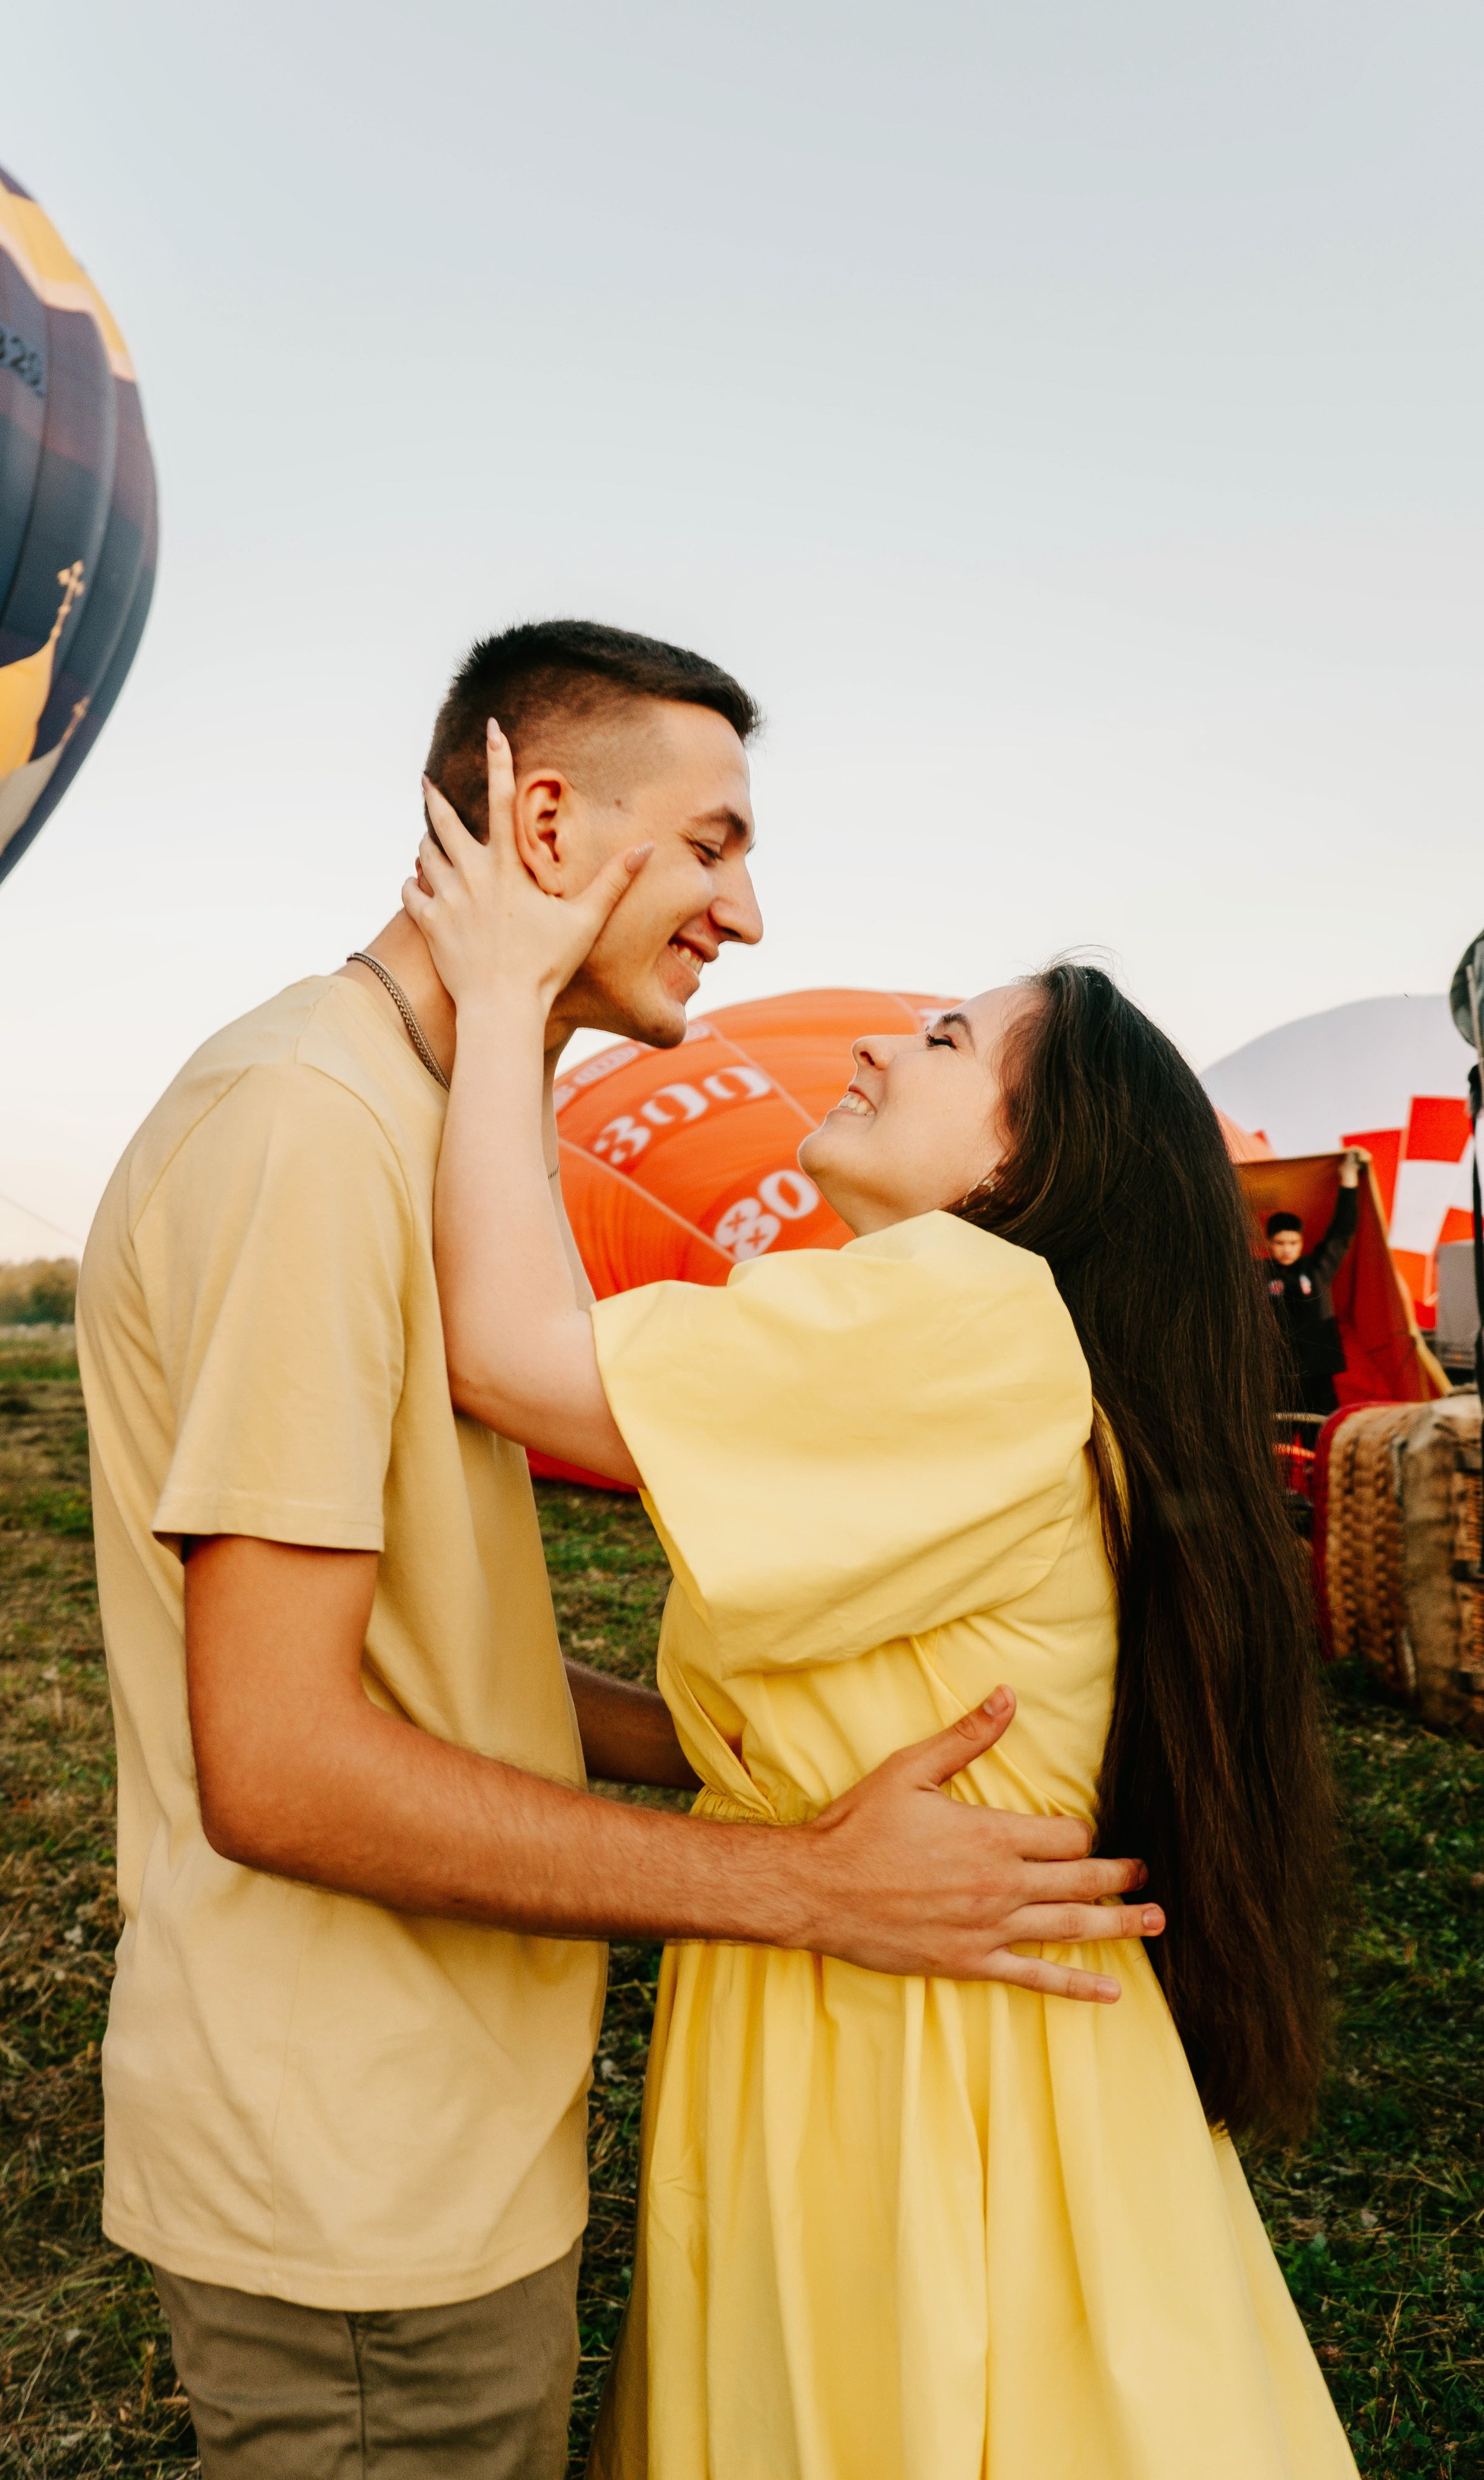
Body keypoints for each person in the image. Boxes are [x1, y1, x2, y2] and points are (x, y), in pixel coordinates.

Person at [76, 621, 1160, 2480]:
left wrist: (750, 1744)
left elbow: (427, 1640)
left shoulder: (432, 1129)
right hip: (356, 2161)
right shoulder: (311, 1134)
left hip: (450, 2120)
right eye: (718, 843)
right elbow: (278, 1760)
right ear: (548, 824)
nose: (752, 914)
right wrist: (805, 1883)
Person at [404, 733, 1354, 2480]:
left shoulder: (967, 1305)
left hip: (912, 2055)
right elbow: (802, 1718)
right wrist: (505, 1681)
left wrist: (497, 1002)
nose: (868, 1037)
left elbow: (514, 1358)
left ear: (1029, 1159)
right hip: (935, 2016)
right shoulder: (1003, 1343)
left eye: (940, 1042)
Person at [1264, 1149, 1366, 1418]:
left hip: (1318, 1372)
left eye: (1293, 1243)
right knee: (1279, 1443)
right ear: (1268, 1244)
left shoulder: (1318, 1268)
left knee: (1321, 1436)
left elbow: (1342, 1230)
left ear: (1301, 1242)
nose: (1287, 1249)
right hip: (1277, 1375)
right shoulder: (1254, 1274)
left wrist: (1349, 1177)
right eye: (1280, 1243)